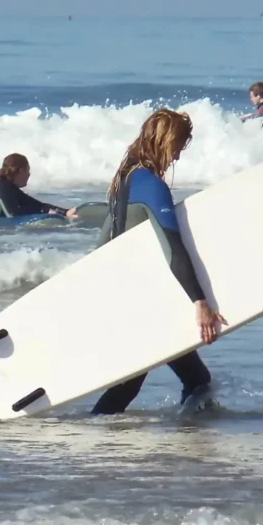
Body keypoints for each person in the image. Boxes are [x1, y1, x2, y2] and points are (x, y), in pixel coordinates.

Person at [91, 108, 226, 415]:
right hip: (142, 300)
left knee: (183, 378)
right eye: (177, 147)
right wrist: (200, 301)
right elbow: (173, 247)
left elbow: (102, 244)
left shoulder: (123, 180)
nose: (177, 157)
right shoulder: (152, 185)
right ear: (165, 141)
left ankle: (187, 437)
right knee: (190, 379)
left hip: (125, 295)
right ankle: (190, 443)